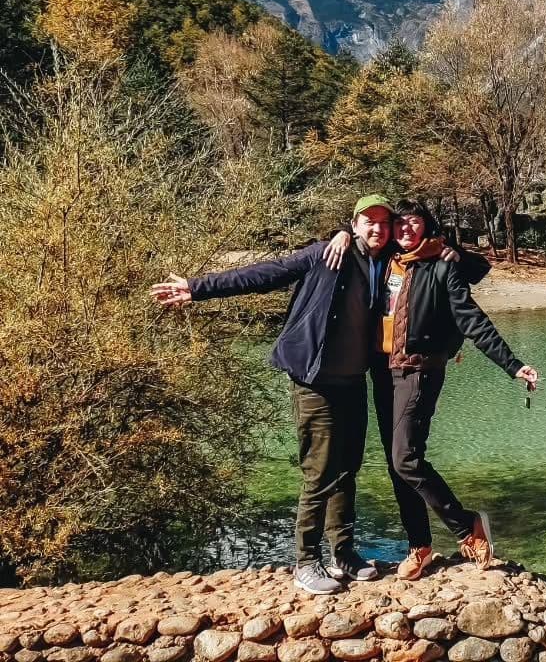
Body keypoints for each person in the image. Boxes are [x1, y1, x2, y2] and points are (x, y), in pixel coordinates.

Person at [150, 195, 397, 595]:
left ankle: (344, 554)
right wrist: (197, 288)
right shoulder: (326, 254)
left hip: (353, 381)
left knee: (347, 469)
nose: (377, 229)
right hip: (315, 381)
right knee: (319, 472)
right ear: (354, 223)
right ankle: (305, 562)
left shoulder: (383, 262)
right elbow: (266, 273)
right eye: (369, 221)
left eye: (384, 223)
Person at [329, 200, 539, 580]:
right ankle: (420, 546)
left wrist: (513, 364)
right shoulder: (387, 260)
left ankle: (466, 526)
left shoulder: (441, 265)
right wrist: (342, 233)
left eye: (415, 223)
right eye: (400, 223)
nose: (406, 229)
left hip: (419, 372)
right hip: (382, 371)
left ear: (427, 227)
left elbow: (472, 318)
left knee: (405, 458)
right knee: (399, 466)